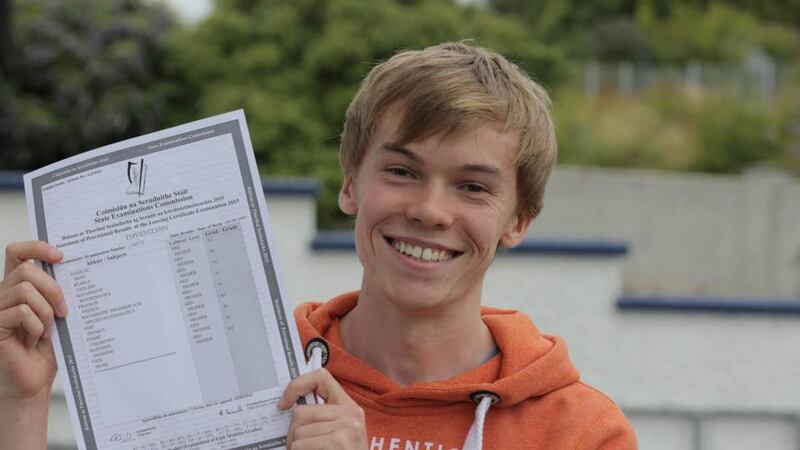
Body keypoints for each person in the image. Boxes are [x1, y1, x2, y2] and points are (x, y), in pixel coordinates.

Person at [0, 42, 636, 449]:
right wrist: (19, 405)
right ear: (351, 184)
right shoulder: (241, 384)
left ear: (517, 220)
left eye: (472, 186)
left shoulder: (579, 432)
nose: (429, 211)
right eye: (402, 172)